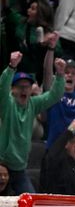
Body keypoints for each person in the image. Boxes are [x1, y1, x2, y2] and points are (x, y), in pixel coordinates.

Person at [0, 52, 65, 195]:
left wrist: (60, 75)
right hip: (1, 165)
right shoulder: (7, 103)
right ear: (12, 90)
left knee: (32, 205)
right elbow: (2, 88)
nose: (24, 89)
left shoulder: (33, 104)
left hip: (19, 169)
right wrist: (11, 67)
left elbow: (54, 95)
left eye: (27, 86)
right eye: (20, 86)